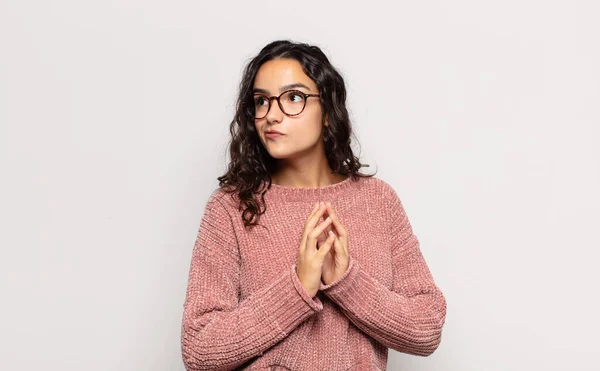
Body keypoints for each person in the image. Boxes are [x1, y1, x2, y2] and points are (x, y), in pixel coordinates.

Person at [180, 39, 447, 371]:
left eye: (293, 97)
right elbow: (200, 348)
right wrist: (297, 288)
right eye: (262, 101)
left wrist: (347, 282)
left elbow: (426, 330)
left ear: (327, 111)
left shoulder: (378, 201)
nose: (271, 115)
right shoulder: (230, 208)